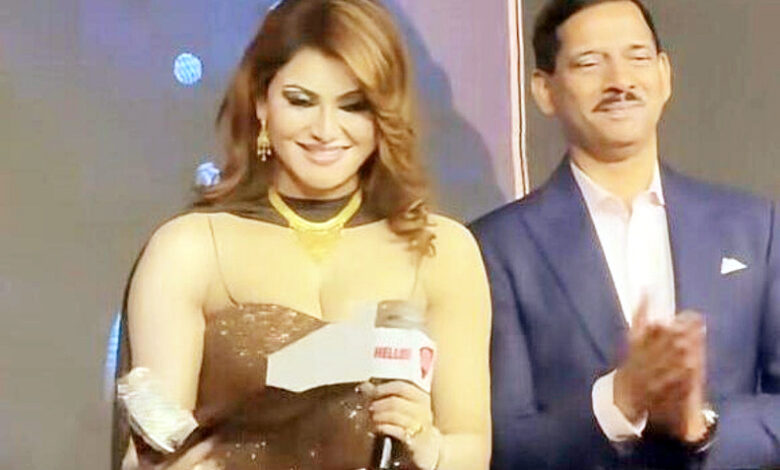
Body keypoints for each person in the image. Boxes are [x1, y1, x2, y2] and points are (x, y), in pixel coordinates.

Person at [112, 0, 492, 469]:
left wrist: (429, 446)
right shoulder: (189, 248)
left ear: (384, 115)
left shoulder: (441, 250)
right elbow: (146, 449)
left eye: (354, 106)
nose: (326, 130)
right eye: (301, 101)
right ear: (261, 104)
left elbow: (471, 448)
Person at [470, 0, 780, 469]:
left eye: (637, 57)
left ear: (664, 75)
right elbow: (502, 443)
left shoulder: (753, 228)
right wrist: (619, 401)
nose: (620, 81)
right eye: (590, 63)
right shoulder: (496, 249)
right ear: (545, 90)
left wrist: (701, 425)